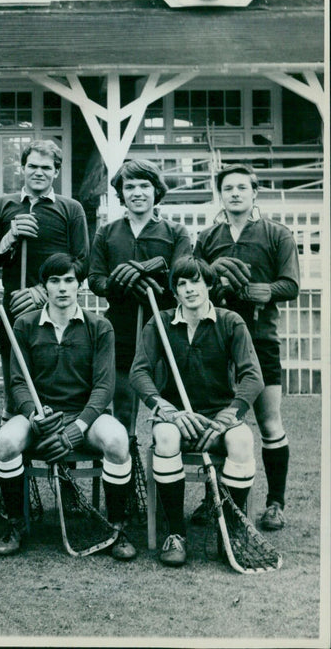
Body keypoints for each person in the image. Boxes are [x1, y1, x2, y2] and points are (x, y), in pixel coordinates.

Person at [0, 253, 137, 561]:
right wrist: (34, 415)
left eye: (69, 280)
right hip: (39, 415)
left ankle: (117, 527)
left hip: (85, 416)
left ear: (79, 286)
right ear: (44, 286)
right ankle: (16, 524)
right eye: (54, 281)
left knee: (118, 440)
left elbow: (103, 388)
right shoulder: (25, 324)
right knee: (5, 442)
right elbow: (18, 382)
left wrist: (76, 429)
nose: (62, 288)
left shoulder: (100, 327)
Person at [130, 256, 264, 567]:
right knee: (163, 436)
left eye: (197, 281)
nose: (190, 289)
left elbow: (252, 375)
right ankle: (176, 534)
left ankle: (229, 531)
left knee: (242, 441)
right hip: (177, 417)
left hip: (220, 415)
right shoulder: (159, 322)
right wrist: (164, 408)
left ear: (209, 285)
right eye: (182, 283)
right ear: (174, 291)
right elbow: (139, 372)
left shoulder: (230, 322)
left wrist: (230, 414)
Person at [193, 164, 299, 531]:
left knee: (270, 423)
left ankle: (275, 503)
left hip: (261, 340)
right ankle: (214, 500)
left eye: (242, 188)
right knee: (218, 421)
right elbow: (195, 283)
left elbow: (291, 284)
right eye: (228, 188)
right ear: (220, 195)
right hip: (217, 341)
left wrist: (265, 290)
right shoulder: (208, 238)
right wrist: (215, 280)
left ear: (255, 193)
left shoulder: (276, 234)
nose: (235, 193)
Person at [0, 140, 90, 421]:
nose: (38, 172)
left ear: (56, 172)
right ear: (22, 168)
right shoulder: (2, 205)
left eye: (46, 167)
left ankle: (61, 427)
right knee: (15, 371)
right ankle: (14, 424)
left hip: (57, 306)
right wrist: (9, 238)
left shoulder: (71, 209)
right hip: (15, 307)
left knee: (56, 369)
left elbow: (83, 263)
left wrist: (43, 291)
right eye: (32, 166)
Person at [88, 159, 192, 430]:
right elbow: (95, 280)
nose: (137, 192)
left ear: (156, 190)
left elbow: (184, 276)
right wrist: (118, 282)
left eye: (144, 185)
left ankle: (163, 460)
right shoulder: (107, 232)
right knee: (123, 402)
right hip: (120, 326)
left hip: (163, 325)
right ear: (121, 193)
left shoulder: (175, 232)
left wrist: (158, 268)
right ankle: (127, 458)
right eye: (129, 186)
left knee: (167, 405)